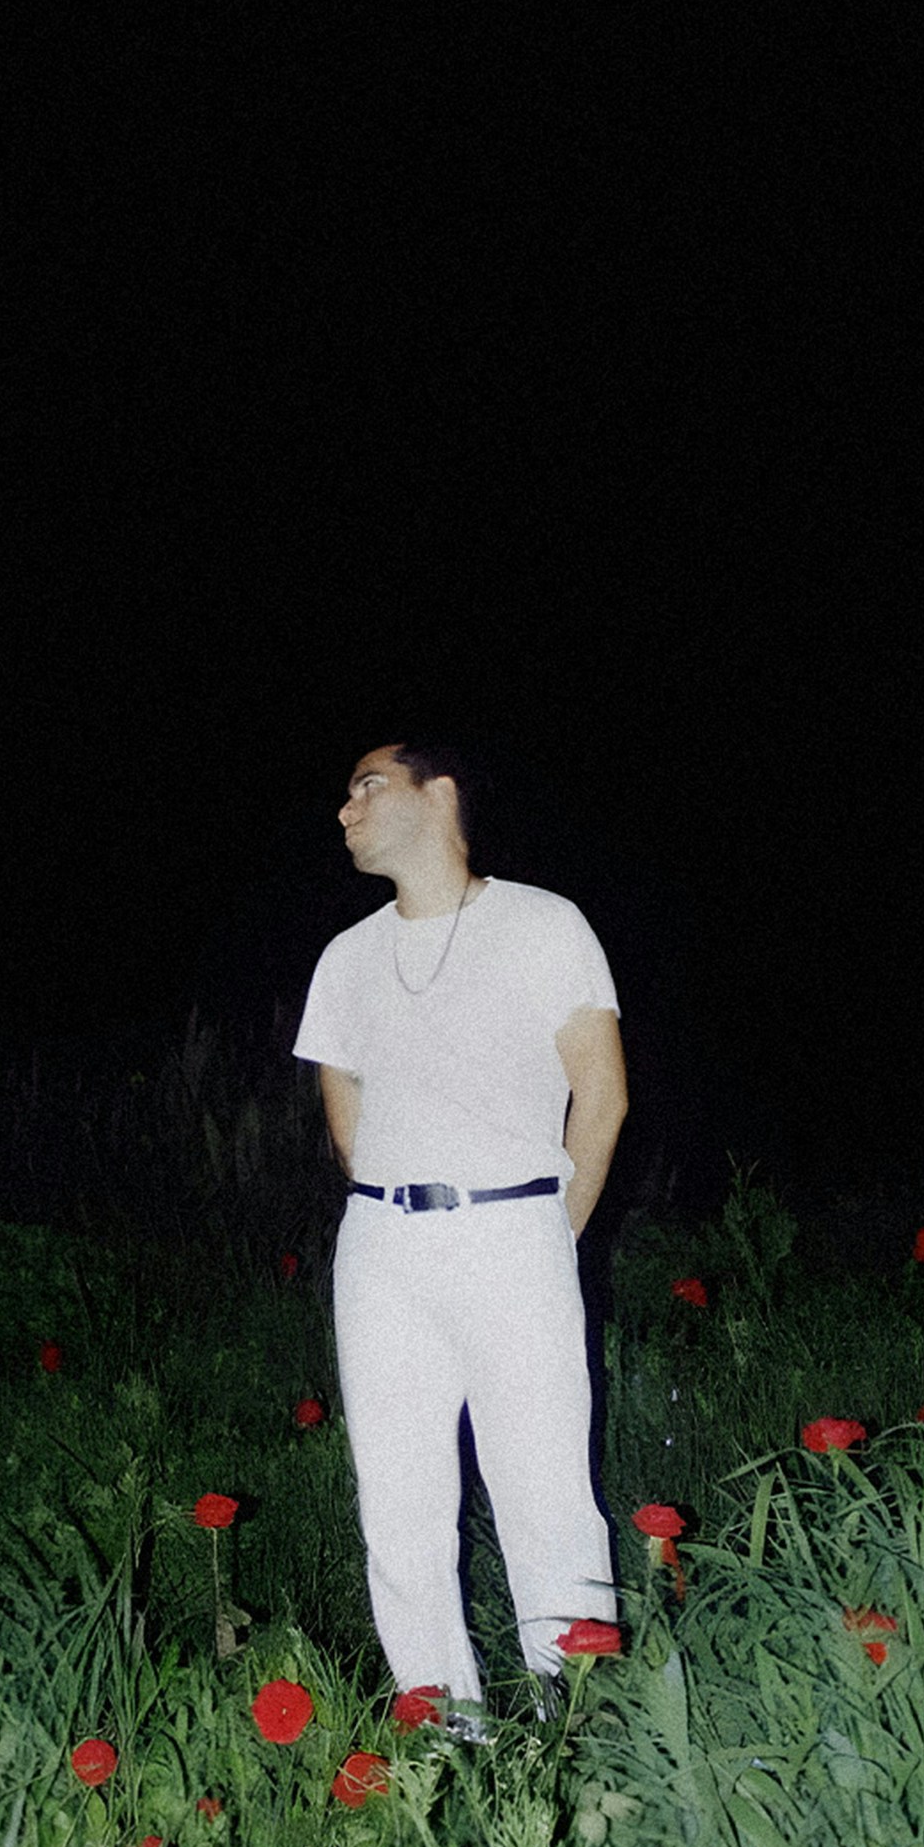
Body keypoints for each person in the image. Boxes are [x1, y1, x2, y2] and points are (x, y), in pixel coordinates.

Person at [292, 738, 627, 1729]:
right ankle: (446, 1732)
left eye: (366, 786)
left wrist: (546, 1235)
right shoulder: (345, 958)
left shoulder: (543, 924)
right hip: (382, 1249)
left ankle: (576, 1729)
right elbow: (346, 1117)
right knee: (397, 1505)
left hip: (514, 1231)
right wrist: (399, 1213)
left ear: (436, 794)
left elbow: (601, 1097)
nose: (345, 810)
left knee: (545, 1495)